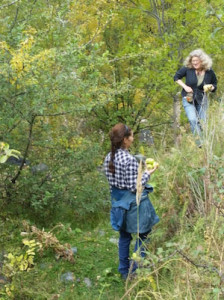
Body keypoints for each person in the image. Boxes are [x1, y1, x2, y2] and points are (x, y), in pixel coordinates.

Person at [104, 123, 159, 280]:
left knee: (124, 235)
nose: (133, 139)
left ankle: (123, 269)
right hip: (131, 204)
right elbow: (134, 187)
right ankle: (134, 271)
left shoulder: (109, 157)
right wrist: (148, 173)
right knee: (143, 234)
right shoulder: (129, 160)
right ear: (125, 140)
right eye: (131, 136)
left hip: (117, 202)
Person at [174, 49, 217, 139]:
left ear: (202, 61)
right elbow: (176, 77)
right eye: (193, 61)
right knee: (193, 119)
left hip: (202, 99)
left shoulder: (209, 72)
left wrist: (210, 87)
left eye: (197, 61)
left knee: (203, 122)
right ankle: (199, 142)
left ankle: (205, 141)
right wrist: (185, 87)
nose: (195, 63)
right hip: (188, 98)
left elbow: (214, 85)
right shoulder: (187, 69)